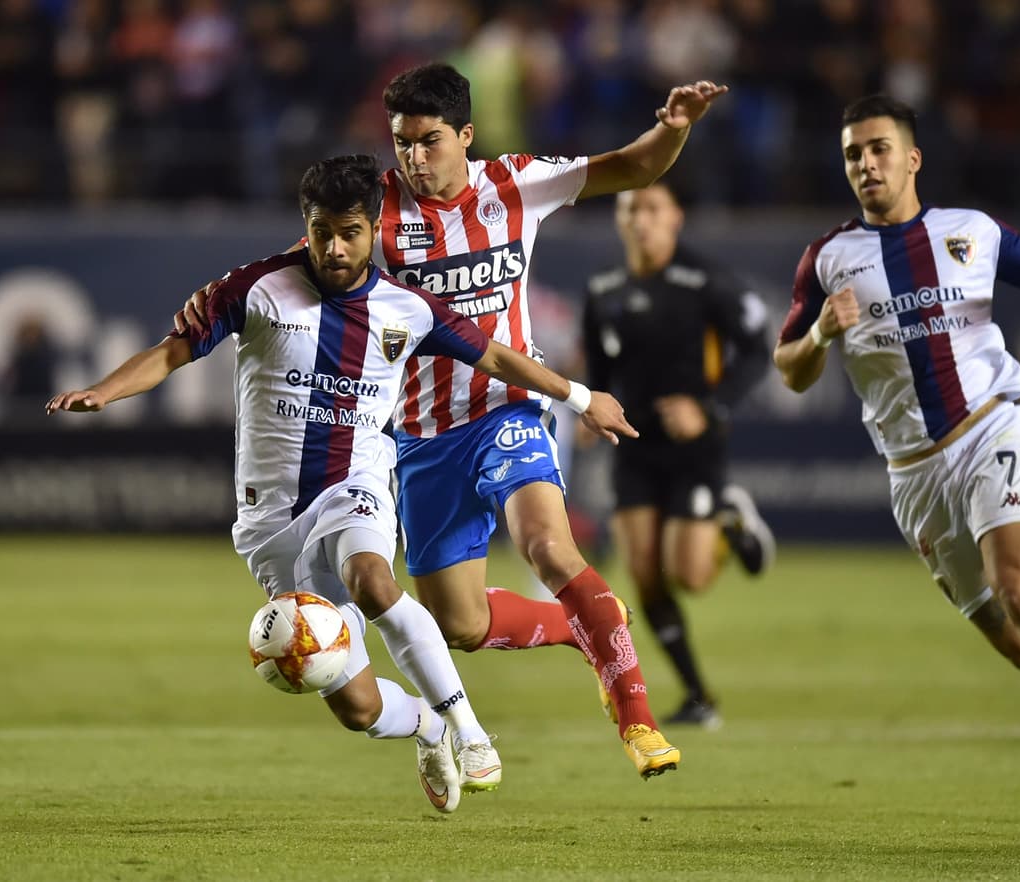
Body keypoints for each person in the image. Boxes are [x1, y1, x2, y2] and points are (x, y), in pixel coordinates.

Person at [180, 62, 728, 778]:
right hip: (418, 437)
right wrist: (221, 296)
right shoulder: (377, 207)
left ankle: (640, 722)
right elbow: (313, 256)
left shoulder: (515, 185)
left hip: (507, 408)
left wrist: (673, 128)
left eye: (429, 141)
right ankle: (584, 628)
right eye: (402, 143)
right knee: (460, 626)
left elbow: (630, 167)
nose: (413, 158)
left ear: (466, 135)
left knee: (550, 551)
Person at [49, 153, 638, 814]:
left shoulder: (407, 308)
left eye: (350, 233)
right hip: (270, 521)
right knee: (353, 705)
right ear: (307, 225)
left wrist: (581, 397)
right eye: (322, 230)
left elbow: (498, 355)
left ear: (374, 227)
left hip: (352, 485)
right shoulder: (257, 289)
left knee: (373, 578)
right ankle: (427, 725)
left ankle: (471, 732)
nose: (334, 247)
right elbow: (173, 350)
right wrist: (103, 392)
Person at [772, 94, 1020, 826]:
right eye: (852, 155)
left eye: (877, 148)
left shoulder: (971, 233)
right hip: (914, 475)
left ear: (911, 157)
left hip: (988, 428)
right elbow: (788, 368)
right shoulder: (829, 258)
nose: (865, 164)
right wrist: (819, 339)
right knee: (1018, 642)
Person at [580, 181, 774, 728]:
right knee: (644, 576)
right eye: (630, 208)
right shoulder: (604, 289)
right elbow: (598, 371)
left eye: (652, 208)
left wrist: (709, 409)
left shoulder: (707, 280)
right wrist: (589, 414)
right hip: (634, 448)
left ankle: (729, 517)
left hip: (694, 448)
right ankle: (697, 698)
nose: (641, 219)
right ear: (619, 221)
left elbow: (757, 351)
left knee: (688, 575)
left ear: (675, 218)